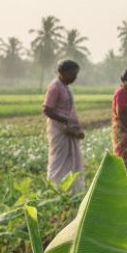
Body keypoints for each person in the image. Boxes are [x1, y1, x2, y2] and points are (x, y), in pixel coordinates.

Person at [42, 59, 85, 192]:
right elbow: (47, 109)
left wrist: (74, 126)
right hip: (59, 130)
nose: (75, 77)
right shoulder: (55, 87)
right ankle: (56, 188)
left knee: (70, 159)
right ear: (63, 72)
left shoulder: (65, 87)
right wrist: (66, 121)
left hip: (68, 129)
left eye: (76, 74)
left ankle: (71, 189)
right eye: (72, 74)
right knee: (59, 160)